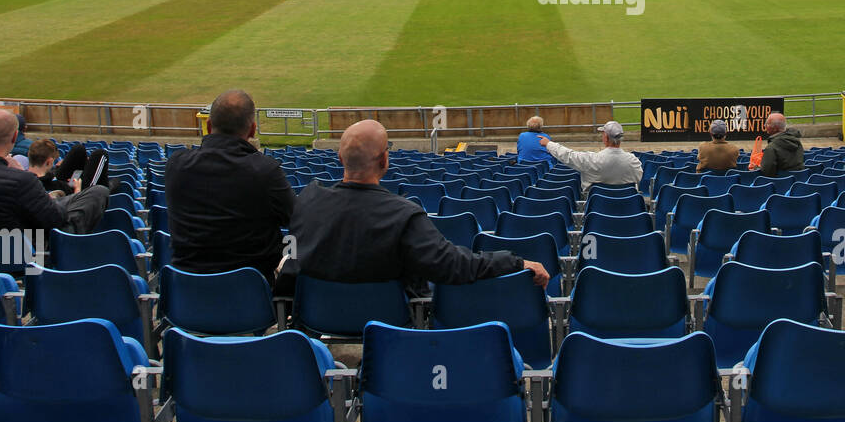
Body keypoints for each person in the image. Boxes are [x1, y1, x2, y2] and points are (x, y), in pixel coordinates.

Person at [275, 120, 547, 298]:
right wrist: (515, 262)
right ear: (384, 160)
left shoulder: (307, 200)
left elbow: (294, 256)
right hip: (390, 323)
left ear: (339, 158)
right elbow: (452, 265)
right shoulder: (404, 215)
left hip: (316, 318)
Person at [165, 89, 294, 286]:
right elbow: (295, 218)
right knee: (294, 251)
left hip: (186, 291)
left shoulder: (176, 165)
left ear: (208, 126)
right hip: (251, 293)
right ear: (252, 130)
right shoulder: (264, 170)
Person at [0, 108, 107, 239]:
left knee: (73, 197)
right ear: (14, 136)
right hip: (17, 256)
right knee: (98, 192)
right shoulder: (21, 180)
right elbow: (55, 220)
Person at [539, 121, 642, 195]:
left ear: (605, 138)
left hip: (598, 215)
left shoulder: (592, 160)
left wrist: (549, 144)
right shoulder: (634, 162)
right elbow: (637, 178)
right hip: (627, 211)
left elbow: (568, 156)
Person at [759, 112, 804, 176]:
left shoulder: (771, 148)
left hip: (780, 183)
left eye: (767, 124)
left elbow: (767, 172)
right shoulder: (797, 141)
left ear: (775, 128)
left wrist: (756, 168)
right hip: (798, 181)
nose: (765, 125)